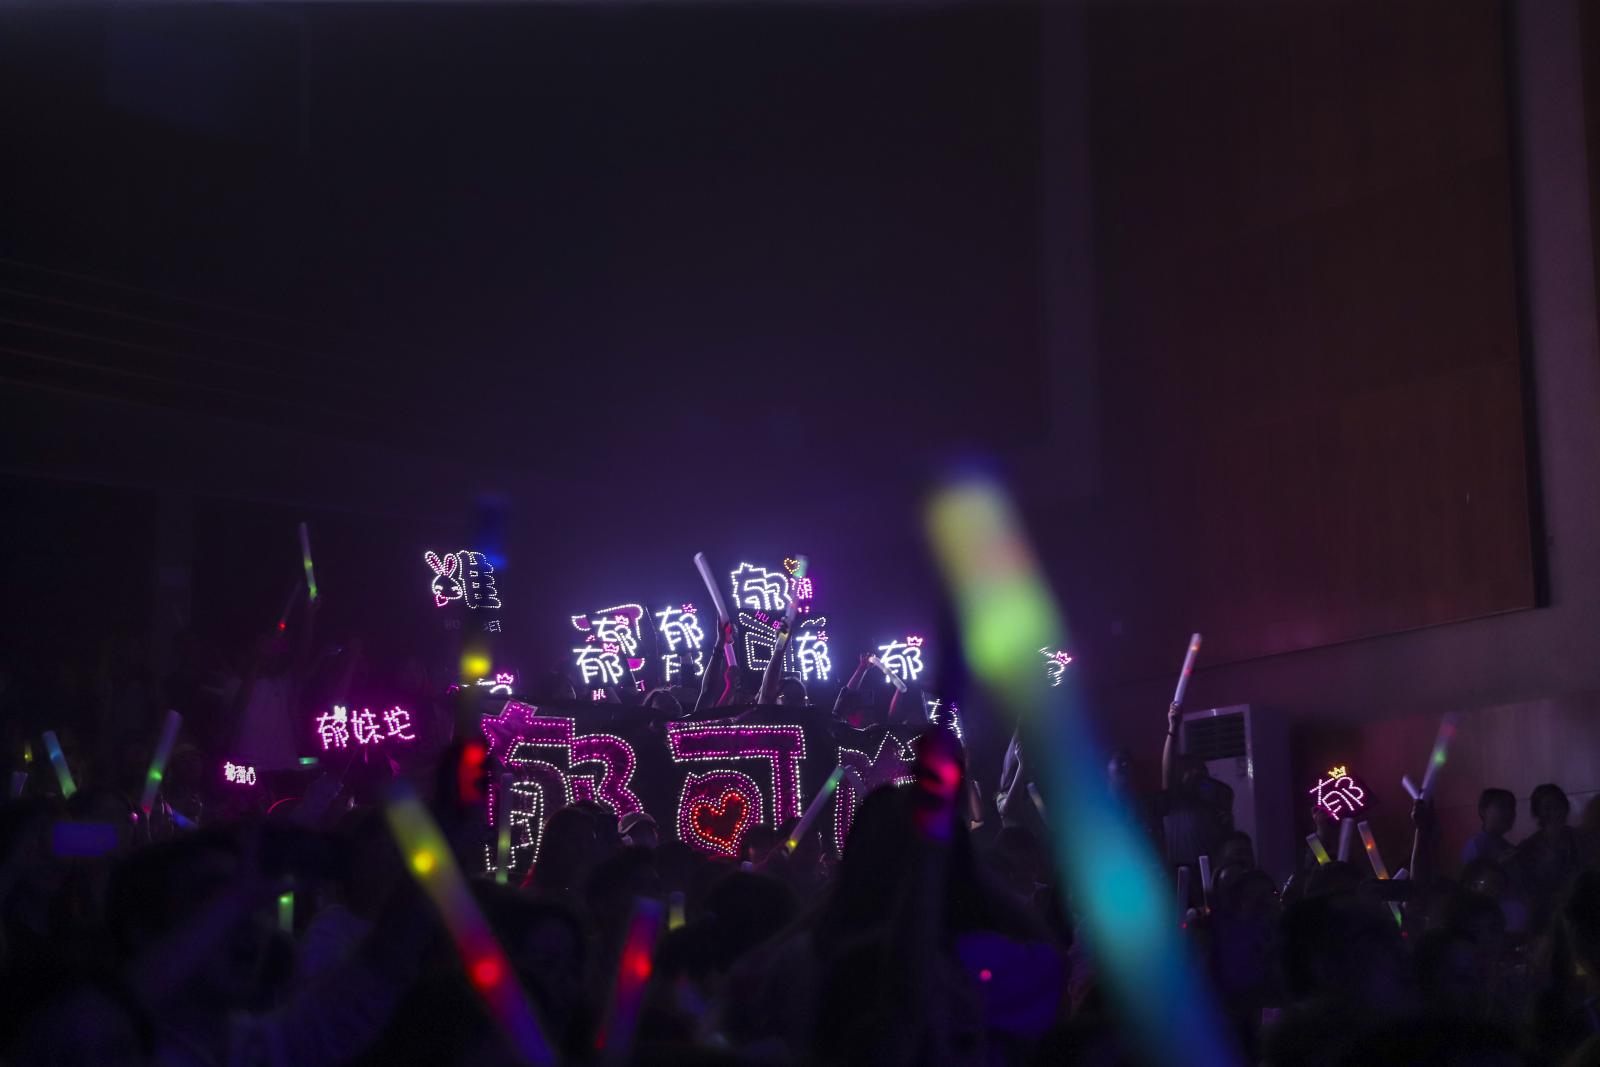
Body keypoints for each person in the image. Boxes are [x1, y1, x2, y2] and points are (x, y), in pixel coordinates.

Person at [1156, 702, 1234, 870]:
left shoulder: (1214, 802)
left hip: (1209, 877)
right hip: (1180, 878)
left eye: (1201, 770)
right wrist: (1173, 729)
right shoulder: (1173, 804)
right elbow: (1167, 769)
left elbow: (1223, 794)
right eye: (1190, 769)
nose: (1196, 773)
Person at [1462, 787, 1516, 866]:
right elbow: (1473, 874)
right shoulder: (1475, 846)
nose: (1509, 812)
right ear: (1484, 811)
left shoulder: (1507, 846)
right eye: (1502, 806)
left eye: (1511, 807)